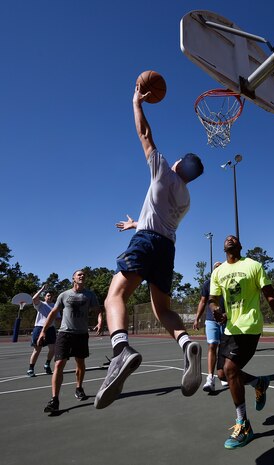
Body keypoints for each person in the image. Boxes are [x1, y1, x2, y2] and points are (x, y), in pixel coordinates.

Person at [94, 83, 204, 410]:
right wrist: (135, 223)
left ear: (179, 164)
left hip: (146, 241)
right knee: (163, 310)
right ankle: (186, 345)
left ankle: (120, 350)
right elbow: (159, 218)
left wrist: (136, 102)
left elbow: (144, 133)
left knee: (114, 295)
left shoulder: (161, 173)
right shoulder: (186, 199)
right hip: (167, 248)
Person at [209, 235, 274, 449]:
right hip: (230, 328)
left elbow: (271, 295)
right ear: (224, 247)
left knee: (230, 369)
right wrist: (216, 311)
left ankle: (244, 425)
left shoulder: (253, 266)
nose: (230, 239)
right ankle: (259, 383)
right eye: (227, 238)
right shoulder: (218, 272)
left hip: (249, 326)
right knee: (222, 374)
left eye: (234, 238)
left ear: (240, 246)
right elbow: (212, 300)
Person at [38, 270, 103, 413]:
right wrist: (43, 331)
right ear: (73, 278)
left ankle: (79, 388)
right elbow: (53, 313)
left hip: (81, 334)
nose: (82, 276)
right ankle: (54, 400)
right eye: (79, 274)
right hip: (64, 334)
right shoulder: (64, 295)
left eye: (84, 275)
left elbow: (98, 310)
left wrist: (100, 321)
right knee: (59, 364)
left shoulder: (90, 295)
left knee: (80, 363)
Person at [193, 262, 227, 392]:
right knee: (212, 345)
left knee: (224, 349)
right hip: (211, 319)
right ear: (213, 271)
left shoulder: (228, 283)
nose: (219, 269)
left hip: (226, 320)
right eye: (216, 267)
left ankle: (223, 376)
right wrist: (197, 318)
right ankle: (210, 378)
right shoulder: (208, 284)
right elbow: (202, 302)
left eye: (221, 267)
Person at [27, 285, 58, 377]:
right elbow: (34, 298)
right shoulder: (40, 304)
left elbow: (58, 318)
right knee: (37, 350)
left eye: (51, 296)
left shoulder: (56, 306)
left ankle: (47, 364)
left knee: (53, 349)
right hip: (39, 328)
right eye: (48, 295)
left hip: (51, 329)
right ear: (45, 297)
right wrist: (41, 289)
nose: (50, 297)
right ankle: (31, 368)